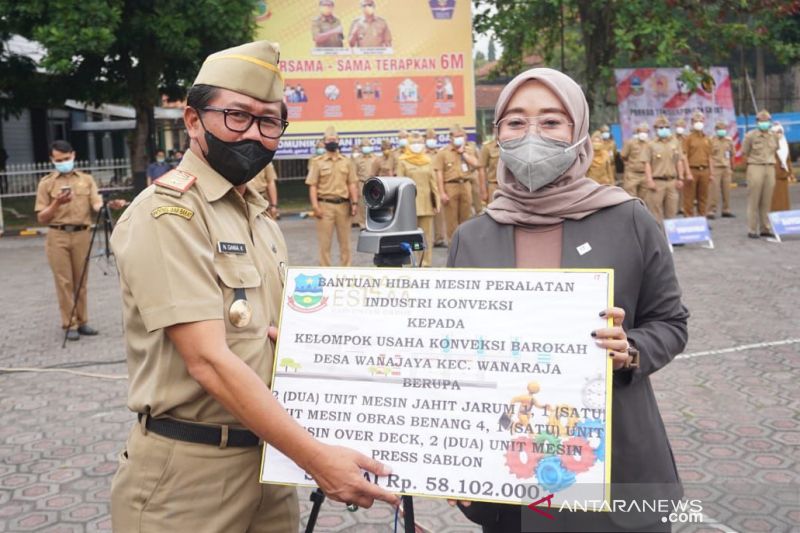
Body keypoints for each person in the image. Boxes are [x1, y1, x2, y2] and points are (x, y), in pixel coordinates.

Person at [109, 41, 398, 533]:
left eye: (270, 121)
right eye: (237, 116)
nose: (254, 134)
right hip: (189, 474)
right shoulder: (170, 214)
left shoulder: (258, 217)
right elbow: (209, 362)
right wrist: (319, 459)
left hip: (269, 463)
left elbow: (264, 338)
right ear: (193, 119)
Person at [449, 67, 686, 533]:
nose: (531, 134)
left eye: (552, 121)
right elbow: (454, 351)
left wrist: (631, 349)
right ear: (496, 134)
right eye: (515, 122)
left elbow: (670, 321)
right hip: (507, 472)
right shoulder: (471, 237)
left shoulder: (629, 219)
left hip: (616, 465)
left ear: (578, 131)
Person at [35, 140, 124, 340]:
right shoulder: (47, 183)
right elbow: (41, 217)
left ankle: (83, 321)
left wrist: (109, 205)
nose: (64, 162)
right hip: (57, 234)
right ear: (52, 160)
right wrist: (57, 202)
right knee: (64, 281)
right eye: (59, 160)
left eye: (67, 159)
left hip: (82, 234)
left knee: (81, 280)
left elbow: (96, 204)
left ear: (73, 155)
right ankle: (70, 323)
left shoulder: (86, 180)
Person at [306, 125, 359, 266]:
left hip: (344, 206)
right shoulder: (317, 162)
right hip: (324, 206)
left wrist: (354, 203)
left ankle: (345, 272)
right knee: (325, 244)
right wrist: (315, 206)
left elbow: (352, 184)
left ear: (339, 141)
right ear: (324, 142)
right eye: (329, 140)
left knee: (346, 243)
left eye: (334, 139)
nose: (332, 142)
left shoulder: (347, 162)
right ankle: (326, 273)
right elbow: (313, 185)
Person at [396, 131, 439, 266]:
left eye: (419, 143)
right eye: (413, 143)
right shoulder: (402, 161)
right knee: (410, 236)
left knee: (426, 236)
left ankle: (425, 262)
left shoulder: (427, 160)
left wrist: (436, 202)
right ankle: (411, 262)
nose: (416, 146)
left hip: (426, 204)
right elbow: (399, 184)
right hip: (409, 205)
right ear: (408, 145)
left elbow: (433, 183)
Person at [434, 123, 479, 240]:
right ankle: (453, 247)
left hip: (465, 185)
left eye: (461, 136)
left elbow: (476, 164)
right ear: (451, 138)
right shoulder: (443, 152)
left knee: (466, 219)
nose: (459, 138)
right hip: (450, 187)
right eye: (456, 136)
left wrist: (463, 153)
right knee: (451, 221)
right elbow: (439, 174)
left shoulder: (468, 150)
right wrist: (442, 193)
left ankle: (465, 245)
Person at [743, 109, 778, 238]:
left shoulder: (774, 135)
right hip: (755, 167)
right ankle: (752, 229)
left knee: (767, 200)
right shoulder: (750, 135)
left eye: (766, 121)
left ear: (770, 122)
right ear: (757, 122)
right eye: (761, 121)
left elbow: (776, 150)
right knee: (754, 199)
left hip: (770, 167)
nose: (764, 123)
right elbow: (744, 153)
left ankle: (765, 228)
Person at [644, 115, 684, 226]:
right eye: (661, 127)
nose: (664, 129)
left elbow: (679, 161)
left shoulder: (675, 143)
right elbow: (647, 164)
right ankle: (659, 239)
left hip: (672, 181)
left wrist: (681, 178)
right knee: (655, 211)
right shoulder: (651, 145)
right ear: (656, 129)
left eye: (666, 127)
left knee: (672, 210)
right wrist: (649, 180)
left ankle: (672, 239)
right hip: (657, 182)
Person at [682, 111, 712, 217]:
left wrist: (711, 173)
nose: (698, 122)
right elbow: (684, 156)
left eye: (700, 120)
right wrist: (687, 173)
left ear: (704, 121)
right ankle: (689, 220)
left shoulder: (707, 138)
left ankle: (702, 220)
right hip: (692, 170)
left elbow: (710, 157)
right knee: (689, 198)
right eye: (696, 121)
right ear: (692, 122)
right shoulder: (688, 139)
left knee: (703, 197)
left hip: (704, 170)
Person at [708, 121, 735, 218]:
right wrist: (710, 171)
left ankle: (726, 209)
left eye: (723, 129)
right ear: (716, 130)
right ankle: (711, 210)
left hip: (726, 168)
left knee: (727, 190)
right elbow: (709, 156)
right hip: (715, 167)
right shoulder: (711, 141)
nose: (722, 131)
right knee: (713, 191)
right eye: (719, 129)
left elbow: (732, 154)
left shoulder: (729, 141)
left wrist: (732, 167)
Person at [426, 128, 447, 247]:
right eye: (429, 138)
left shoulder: (440, 153)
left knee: (439, 214)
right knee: (424, 214)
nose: (431, 141)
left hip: (437, 186)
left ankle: (439, 238)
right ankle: (424, 239)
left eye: (433, 138)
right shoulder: (421, 154)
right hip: (425, 187)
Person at [619, 122, 651, 198]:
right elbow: (623, 156)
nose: (643, 133)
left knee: (644, 198)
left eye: (645, 132)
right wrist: (629, 165)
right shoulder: (630, 143)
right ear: (638, 132)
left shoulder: (650, 143)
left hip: (645, 175)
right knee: (630, 198)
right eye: (641, 131)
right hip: (632, 174)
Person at [353, 138, 377, 228]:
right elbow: (354, 174)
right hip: (361, 183)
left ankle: (374, 223)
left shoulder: (375, 158)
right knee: (362, 205)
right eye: (364, 146)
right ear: (361, 148)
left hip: (374, 184)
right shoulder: (357, 160)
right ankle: (363, 225)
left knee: (374, 204)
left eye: (368, 146)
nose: (366, 148)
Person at [771, 122, 794, 212]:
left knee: (784, 198)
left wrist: (790, 172)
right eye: (777, 132)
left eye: (780, 132)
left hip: (783, 175)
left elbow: (788, 159)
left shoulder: (784, 143)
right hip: (774, 176)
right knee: (774, 199)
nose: (779, 134)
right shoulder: (770, 144)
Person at [479, 133, 501, 201]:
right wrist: (483, 191)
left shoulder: (514, 146)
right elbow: (482, 169)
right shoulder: (487, 147)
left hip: (512, 187)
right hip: (494, 186)